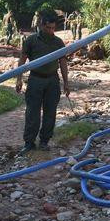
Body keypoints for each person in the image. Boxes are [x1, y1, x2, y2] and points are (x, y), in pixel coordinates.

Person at [15, 11, 70, 154]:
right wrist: (19, 78)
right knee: (32, 112)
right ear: (41, 25)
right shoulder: (31, 41)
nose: (50, 31)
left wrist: (66, 83)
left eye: (53, 28)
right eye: (48, 28)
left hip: (52, 80)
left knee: (50, 112)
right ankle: (29, 142)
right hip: (35, 79)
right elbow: (22, 60)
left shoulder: (58, 42)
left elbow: (63, 63)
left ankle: (44, 141)